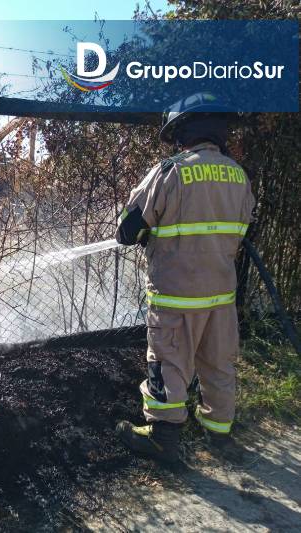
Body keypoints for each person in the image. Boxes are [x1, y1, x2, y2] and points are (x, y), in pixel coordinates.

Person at [114, 93, 255, 463]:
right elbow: (241, 231)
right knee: (218, 363)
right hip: (221, 296)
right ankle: (220, 434)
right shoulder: (239, 176)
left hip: (176, 295)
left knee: (168, 362)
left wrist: (147, 230)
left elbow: (128, 229)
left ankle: (162, 437)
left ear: (181, 130)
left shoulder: (170, 171)